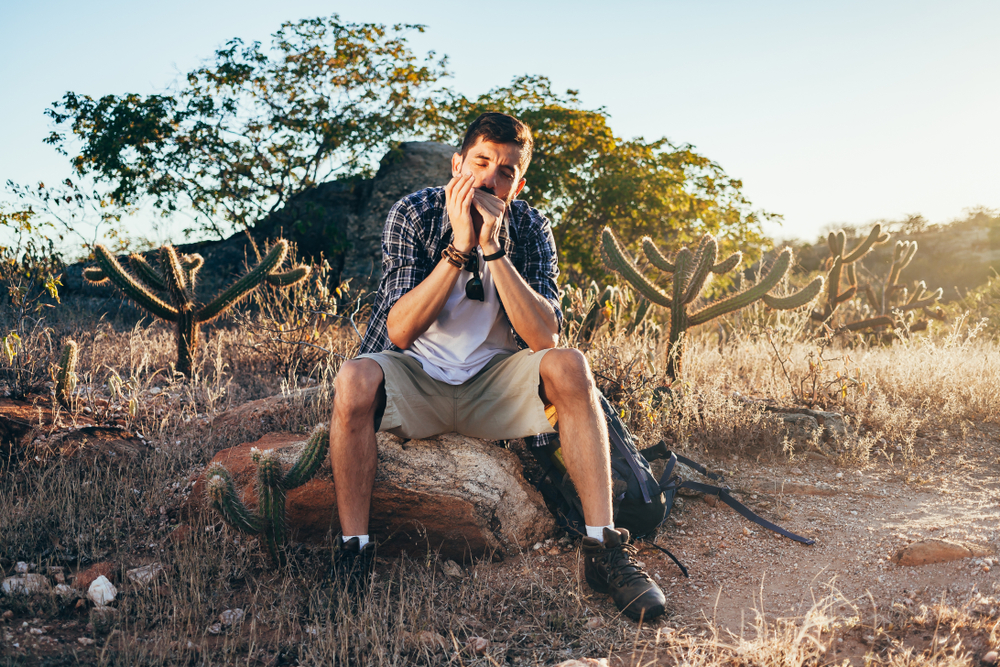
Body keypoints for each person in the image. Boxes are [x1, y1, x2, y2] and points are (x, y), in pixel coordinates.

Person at [329, 112, 666, 621]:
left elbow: (543, 335)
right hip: (418, 379)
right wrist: (459, 247)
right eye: (482, 162)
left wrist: (491, 246)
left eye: (506, 171)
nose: (490, 177)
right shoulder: (414, 213)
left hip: (496, 387)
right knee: (353, 377)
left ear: (519, 182)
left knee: (569, 363)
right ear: (457, 163)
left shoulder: (530, 226)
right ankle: (355, 550)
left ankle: (604, 550)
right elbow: (399, 330)